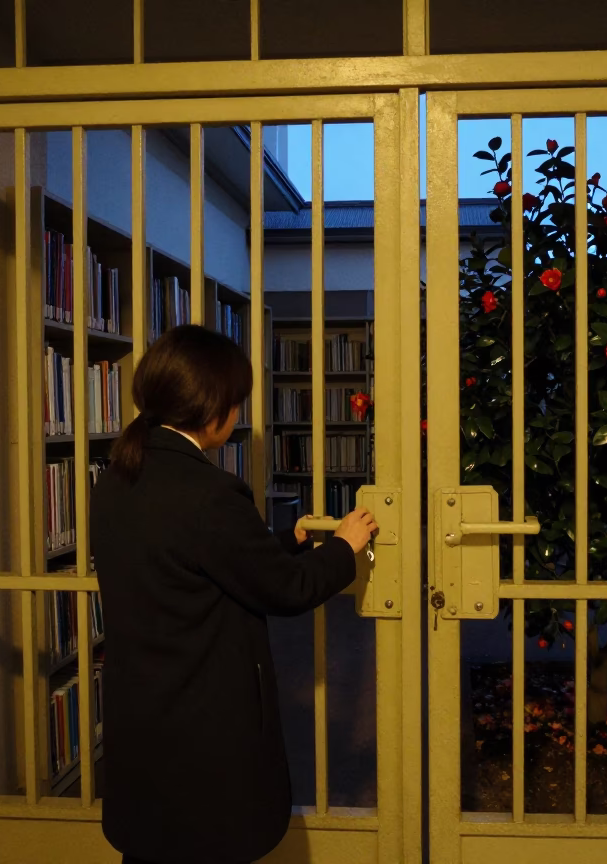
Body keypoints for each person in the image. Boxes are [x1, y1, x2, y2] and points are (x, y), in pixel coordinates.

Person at [91, 325, 377, 864]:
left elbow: (190, 562)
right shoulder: (210, 492)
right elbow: (287, 590)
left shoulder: (119, 476)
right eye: (237, 401)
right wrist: (345, 546)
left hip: (142, 710)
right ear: (213, 406)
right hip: (203, 720)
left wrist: (280, 542)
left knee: (154, 845)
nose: (239, 413)